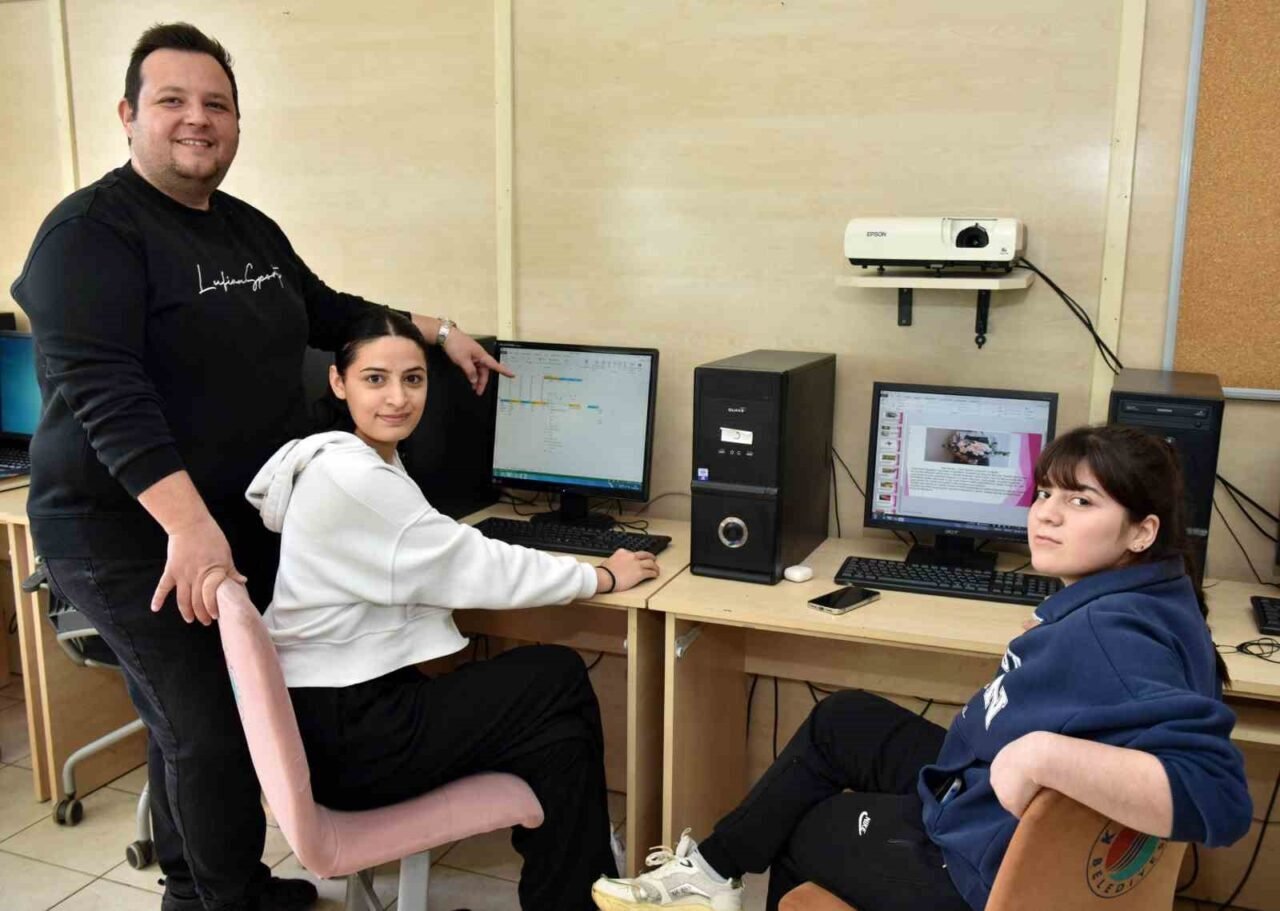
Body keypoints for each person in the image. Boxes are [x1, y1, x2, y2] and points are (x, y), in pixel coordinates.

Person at [10, 22, 507, 911]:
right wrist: (191, 528)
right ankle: (220, 898)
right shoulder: (89, 234)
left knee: (189, 719)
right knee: (205, 723)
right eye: (172, 100)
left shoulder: (245, 229)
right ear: (128, 116)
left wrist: (435, 330)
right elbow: (106, 394)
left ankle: (201, 880)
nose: (196, 119)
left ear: (237, 122)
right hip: (124, 531)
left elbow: (329, 311)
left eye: (216, 104)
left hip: (226, 523)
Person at [590, 424, 1253, 911]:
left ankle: (714, 878)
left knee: (804, 826)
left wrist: (1044, 754)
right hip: (982, 795)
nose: (1047, 514)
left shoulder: (1113, 635)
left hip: (975, 863)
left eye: (1082, 502)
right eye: (1047, 492)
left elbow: (1219, 798)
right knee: (844, 720)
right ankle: (709, 875)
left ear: (1141, 531)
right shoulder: (1155, 594)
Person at [243, 308, 658, 911]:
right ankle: (584, 887)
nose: (398, 398)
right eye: (375, 379)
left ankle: (580, 892)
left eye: (413, 379)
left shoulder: (352, 460)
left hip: (337, 717)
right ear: (338, 382)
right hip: (350, 738)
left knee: (559, 739)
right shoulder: (352, 477)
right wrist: (600, 576)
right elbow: (474, 564)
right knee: (556, 675)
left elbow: (436, 557)